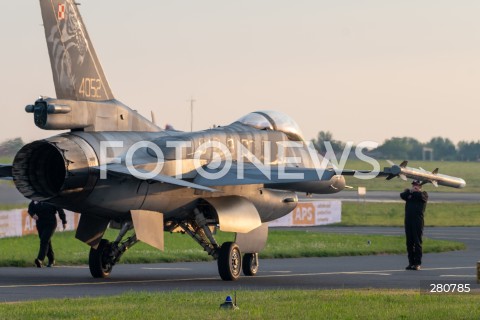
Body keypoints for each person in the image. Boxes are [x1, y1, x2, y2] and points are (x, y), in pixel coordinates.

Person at [28, 200, 67, 268]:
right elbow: (30, 209)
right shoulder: (36, 199)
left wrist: (64, 221)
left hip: (50, 223)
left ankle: (40, 259)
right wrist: (33, 214)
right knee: (46, 241)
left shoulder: (51, 199)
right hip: (40, 224)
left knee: (44, 240)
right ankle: (51, 260)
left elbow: (60, 209)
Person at [400, 180, 428, 271]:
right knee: (409, 243)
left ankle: (417, 263)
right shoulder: (409, 194)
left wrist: (412, 193)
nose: (415, 186)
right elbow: (402, 195)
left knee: (417, 242)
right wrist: (410, 192)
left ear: (420, 187)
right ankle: (411, 263)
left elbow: (420, 197)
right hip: (408, 220)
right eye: (414, 185)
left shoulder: (423, 194)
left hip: (418, 221)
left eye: (417, 185)